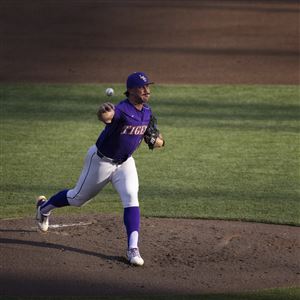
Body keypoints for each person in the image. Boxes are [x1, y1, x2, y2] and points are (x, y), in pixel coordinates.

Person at [36, 72, 165, 266]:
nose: (147, 90)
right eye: (142, 87)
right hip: (101, 162)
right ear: (130, 90)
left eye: (148, 86)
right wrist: (104, 112)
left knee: (131, 197)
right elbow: (107, 115)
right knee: (77, 198)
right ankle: (44, 208)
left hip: (125, 163)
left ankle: (132, 249)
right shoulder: (122, 109)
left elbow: (160, 141)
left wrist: (156, 140)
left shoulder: (147, 112)